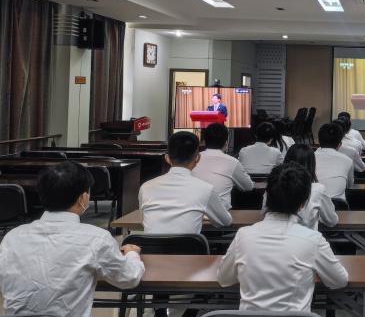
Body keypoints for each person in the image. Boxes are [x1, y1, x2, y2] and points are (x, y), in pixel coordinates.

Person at [0, 161, 145, 317]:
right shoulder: (96, 238)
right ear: (83, 198)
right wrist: (132, 254)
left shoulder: (12, 237)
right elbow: (129, 278)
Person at [218, 163, 349, 312]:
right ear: (303, 203)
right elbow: (339, 280)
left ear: (267, 197)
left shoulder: (243, 236)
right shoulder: (313, 240)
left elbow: (224, 279)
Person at [139, 131, 232, 233]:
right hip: (190, 244)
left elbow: (144, 221)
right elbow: (225, 221)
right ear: (198, 158)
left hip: (151, 244)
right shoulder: (206, 189)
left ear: (167, 158)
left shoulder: (145, 187)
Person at [261, 144, 338, 231]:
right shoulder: (318, 190)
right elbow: (331, 221)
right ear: (312, 164)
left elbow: (264, 213)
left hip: (273, 233)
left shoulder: (274, 184)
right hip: (306, 236)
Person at [192, 123, 255, 209]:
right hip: (221, 213)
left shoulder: (191, 159)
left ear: (204, 141)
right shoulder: (232, 162)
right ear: (226, 143)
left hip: (194, 210)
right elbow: (248, 186)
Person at [314, 123, 355, 201]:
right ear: (340, 144)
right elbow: (349, 185)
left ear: (319, 141)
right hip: (339, 206)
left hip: (314, 204)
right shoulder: (348, 161)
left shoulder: (310, 158)